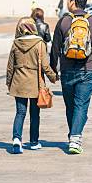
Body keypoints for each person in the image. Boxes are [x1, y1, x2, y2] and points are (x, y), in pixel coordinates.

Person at [51, 0, 92, 154]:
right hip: (87, 69)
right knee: (81, 106)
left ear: (72, 2)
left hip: (67, 70)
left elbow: (55, 49)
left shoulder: (64, 21)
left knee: (70, 107)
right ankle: (75, 137)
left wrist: (53, 70)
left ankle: (73, 136)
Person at [6, 17, 57, 154]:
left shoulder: (16, 43)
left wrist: (8, 82)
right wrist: (53, 77)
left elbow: (10, 66)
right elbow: (45, 66)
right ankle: (34, 142)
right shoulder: (39, 43)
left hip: (18, 83)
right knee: (34, 114)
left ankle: (17, 139)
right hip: (35, 83)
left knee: (20, 113)